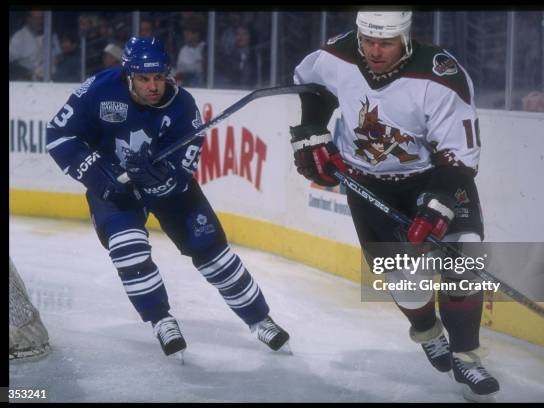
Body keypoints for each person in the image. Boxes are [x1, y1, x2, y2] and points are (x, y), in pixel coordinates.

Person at [290, 11, 499, 402]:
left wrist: (435, 207)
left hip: (433, 178)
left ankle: (467, 355)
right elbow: (310, 85)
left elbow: (459, 156)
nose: (373, 51)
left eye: (385, 43)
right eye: (367, 40)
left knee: (465, 252)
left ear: (405, 37)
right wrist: (311, 133)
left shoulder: (440, 75)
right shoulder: (339, 54)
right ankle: (428, 332)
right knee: (408, 284)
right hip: (367, 184)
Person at [45, 36, 289, 358]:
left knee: (212, 252)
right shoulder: (98, 90)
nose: (153, 86)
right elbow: (58, 135)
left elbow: (181, 172)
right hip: (114, 188)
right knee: (128, 251)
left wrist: (162, 180)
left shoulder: (184, 106)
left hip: (166, 188)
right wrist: (95, 173)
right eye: (144, 79)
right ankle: (160, 319)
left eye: (158, 77)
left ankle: (259, 319)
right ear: (127, 75)